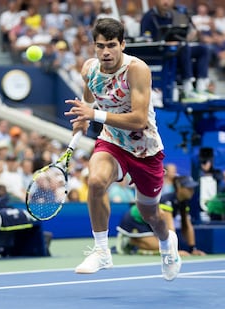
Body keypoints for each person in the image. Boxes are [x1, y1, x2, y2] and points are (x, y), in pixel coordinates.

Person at [64, 18, 181, 281]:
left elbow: (139, 119)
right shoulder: (89, 69)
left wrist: (93, 114)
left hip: (145, 150)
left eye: (112, 46)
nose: (106, 52)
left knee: (150, 213)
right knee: (95, 182)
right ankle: (102, 250)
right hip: (113, 142)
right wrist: (83, 116)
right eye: (100, 46)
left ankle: (167, 244)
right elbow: (89, 95)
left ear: (123, 45)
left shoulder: (137, 70)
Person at [140, 0, 216, 103]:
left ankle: (201, 87)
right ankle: (187, 88)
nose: (166, 2)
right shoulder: (149, 17)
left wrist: (188, 37)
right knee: (184, 48)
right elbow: (146, 40)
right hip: (158, 53)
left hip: (175, 50)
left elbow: (173, 34)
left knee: (203, 49)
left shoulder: (170, 15)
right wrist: (164, 43)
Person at [116, 175, 206, 257]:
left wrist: (193, 249)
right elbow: (170, 228)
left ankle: (138, 243)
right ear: (179, 187)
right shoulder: (167, 201)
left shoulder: (184, 203)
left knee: (162, 246)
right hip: (135, 219)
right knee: (160, 246)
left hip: (149, 223)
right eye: (188, 188)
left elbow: (187, 227)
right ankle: (131, 241)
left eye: (192, 188)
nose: (192, 191)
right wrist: (174, 251)